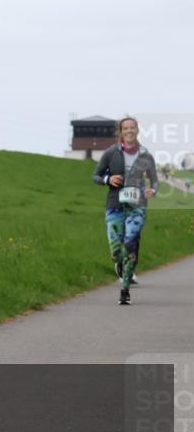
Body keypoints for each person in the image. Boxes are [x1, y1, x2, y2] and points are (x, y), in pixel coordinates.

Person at [92, 117, 158, 305]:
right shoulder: (111, 153)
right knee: (116, 250)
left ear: (137, 130)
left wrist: (152, 190)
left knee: (129, 245)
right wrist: (108, 179)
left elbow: (154, 180)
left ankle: (125, 290)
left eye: (133, 127)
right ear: (120, 132)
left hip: (137, 206)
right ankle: (119, 264)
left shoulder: (146, 155)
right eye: (125, 128)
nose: (129, 130)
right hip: (115, 205)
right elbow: (95, 176)